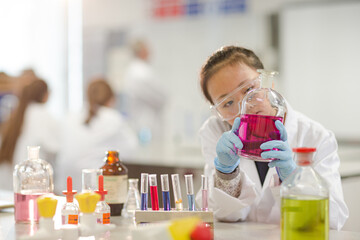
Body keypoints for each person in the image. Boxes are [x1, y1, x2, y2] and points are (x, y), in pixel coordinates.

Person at [196, 46, 348, 230]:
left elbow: (332, 220)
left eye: (248, 89)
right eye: (227, 103)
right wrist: (226, 174)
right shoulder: (215, 130)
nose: (245, 105)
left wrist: (293, 179)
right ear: (217, 111)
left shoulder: (315, 136)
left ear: (269, 83)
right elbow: (219, 214)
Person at [55, 78, 138, 193]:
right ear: (111, 99)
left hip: (66, 186)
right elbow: (131, 149)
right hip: (96, 189)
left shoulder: (70, 117)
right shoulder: (113, 118)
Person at [0, 78, 58, 190]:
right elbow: (54, 147)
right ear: (45, 95)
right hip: (30, 180)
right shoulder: (42, 114)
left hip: (9, 184)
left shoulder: (18, 113)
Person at [122, 39, 167, 144]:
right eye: (148, 49)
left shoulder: (135, 70)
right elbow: (161, 97)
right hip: (146, 124)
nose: (150, 52)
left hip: (142, 123)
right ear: (142, 51)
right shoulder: (140, 72)